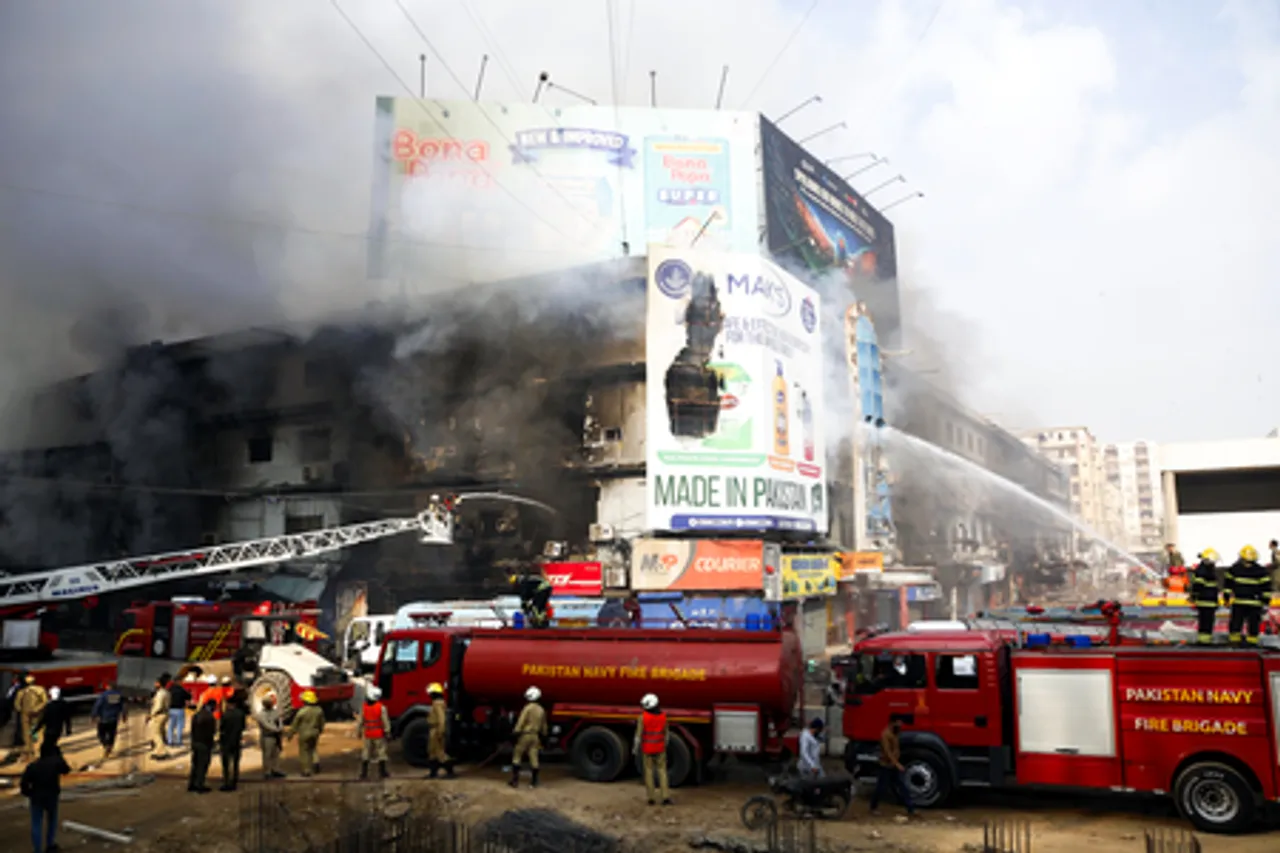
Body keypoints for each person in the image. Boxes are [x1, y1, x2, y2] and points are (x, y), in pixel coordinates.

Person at [20, 740, 71, 853]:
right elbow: (67, 769)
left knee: (36, 824)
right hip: (52, 795)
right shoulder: (56, 762)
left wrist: (29, 793)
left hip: (37, 796)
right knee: (52, 820)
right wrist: (60, 757)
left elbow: (23, 783)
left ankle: (37, 849)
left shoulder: (33, 766)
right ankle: (50, 845)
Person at [1226, 544, 1271, 646]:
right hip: (1254, 604)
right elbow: (1266, 588)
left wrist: (1226, 598)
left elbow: (1228, 586)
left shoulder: (1234, 569)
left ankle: (1235, 642)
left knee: (1236, 624)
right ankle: (1251, 643)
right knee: (1253, 625)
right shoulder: (1261, 570)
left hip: (1240, 603)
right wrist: (1265, 602)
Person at [868, 719, 915, 817]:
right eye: (898, 723)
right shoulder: (885, 735)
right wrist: (897, 764)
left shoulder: (895, 733)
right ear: (892, 723)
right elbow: (887, 752)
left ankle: (910, 808)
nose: (900, 725)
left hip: (892, 765)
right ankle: (873, 807)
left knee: (901, 786)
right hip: (886, 765)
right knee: (881, 788)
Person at [634, 693, 672, 806]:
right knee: (662, 772)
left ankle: (651, 798)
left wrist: (635, 749)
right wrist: (665, 745)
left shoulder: (643, 717)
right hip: (660, 749)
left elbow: (638, 735)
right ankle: (665, 796)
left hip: (647, 749)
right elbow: (666, 734)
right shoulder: (663, 717)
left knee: (649, 773)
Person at [510, 685, 547, 789]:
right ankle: (534, 782)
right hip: (535, 736)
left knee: (517, 756)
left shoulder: (527, 708)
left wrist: (515, 732)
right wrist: (544, 735)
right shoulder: (541, 710)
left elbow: (521, 722)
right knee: (534, 757)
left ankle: (515, 781)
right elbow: (544, 726)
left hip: (525, 735)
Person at [286, 690, 326, 777]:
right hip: (315, 733)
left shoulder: (301, 712)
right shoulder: (319, 710)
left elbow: (295, 725)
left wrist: (290, 734)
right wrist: (320, 730)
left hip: (304, 733)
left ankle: (306, 770)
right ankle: (316, 762)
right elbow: (322, 723)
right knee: (313, 748)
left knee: (304, 752)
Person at [90, 681, 127, 766]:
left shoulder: (104, 695)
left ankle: (106, 744)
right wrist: (124, 715)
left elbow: (97, 706)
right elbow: (122, 706)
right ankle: (110, 745)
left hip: (104, 719)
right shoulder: (118, 695)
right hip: (114, 718)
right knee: (112, 734)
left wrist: (93, 716)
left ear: (107, 687)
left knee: (100, 734)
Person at [359, 686, 391, 780]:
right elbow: (385, 721)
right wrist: (388, 732)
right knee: (381, 753)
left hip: (368, 734)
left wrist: (359, 731)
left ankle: (364, 773)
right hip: (378, 734)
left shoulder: (364, 707)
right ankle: (383, 772)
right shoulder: (381, 708)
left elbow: (361, 721)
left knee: (366, 753)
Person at [15, 675, 49, 762]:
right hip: (33, 713)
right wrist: (37, 709)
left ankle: (33, 751)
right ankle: (33, 751)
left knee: (30, 733)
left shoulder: (22, 692)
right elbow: (45, 701)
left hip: (29, 714)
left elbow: (17, 705)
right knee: (33, 732)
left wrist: (23, 710)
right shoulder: (40, 690)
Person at [1191, 549, 1222, 644]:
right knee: (1206, 622)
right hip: (1206, 601)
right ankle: (1204, 641)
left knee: (1206, 622)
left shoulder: (1205, 569)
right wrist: (1194, 597)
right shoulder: (1204, 571)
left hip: (1208, 600)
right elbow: (1198, 586)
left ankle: (1204, 640)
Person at [425, 682, 455, 779]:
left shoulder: (437, 704)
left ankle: (450, 771)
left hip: (436, 729)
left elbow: (441, 719)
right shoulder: (439, 703)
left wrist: (440, 732)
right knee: (432, 752)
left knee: (439, 752)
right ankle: (433, 773)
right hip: (434, 729)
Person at [218, 692, 247, 792]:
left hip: (226, 741)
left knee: (226, 763)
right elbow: (243, 727)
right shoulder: (241, 714)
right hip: (236, 740)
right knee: (235, 762)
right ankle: (234, 781)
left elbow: (221, 728)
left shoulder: (225, 715)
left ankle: (227, 782)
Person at [254, 692, 286, 779]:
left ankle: (276, 770)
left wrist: (280, 728)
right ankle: (267, 772)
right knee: (267, 755)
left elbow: (280, 720)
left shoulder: (275, 711)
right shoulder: (261, 714)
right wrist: (277, 729)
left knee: (276, 753)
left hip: (276, 736)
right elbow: (266, 725)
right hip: (267, 736)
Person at [188, 703, 216, 793]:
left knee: (195, 764)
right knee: (202, 766)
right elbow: (212, 732)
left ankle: (192, 784)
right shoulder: (210, 718)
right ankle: (199, 785)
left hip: (195, 742)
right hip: (205, 744)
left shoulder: (196, 715)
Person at [38, 687, 73, 751]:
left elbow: (44, 719)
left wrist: (36, 729)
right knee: (52, 743)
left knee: (47, 745)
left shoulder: (49, 705)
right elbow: (67, 718)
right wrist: (68, 729)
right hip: (58, 729)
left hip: (48, 730)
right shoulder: (64, 704)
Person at [147, 674, 172, 760]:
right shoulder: (167, 692)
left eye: (156, 682)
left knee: (156, 734)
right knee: (160, 732)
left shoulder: (160, 693)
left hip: (159, 715)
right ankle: (157, 751)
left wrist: (151, 715)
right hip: (165, 714)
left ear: (159, 684)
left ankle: (162, 752)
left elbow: (158, 706)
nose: (154, 684)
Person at [167, 673, 192, 748]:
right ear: (178, 681)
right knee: (179, 727)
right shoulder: (181, 690)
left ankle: (170, 741)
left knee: (171, 726)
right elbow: (189, 696)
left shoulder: (169, 690)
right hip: (180, 710)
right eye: (181, 681)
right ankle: (178, 742)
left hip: (171, 710)